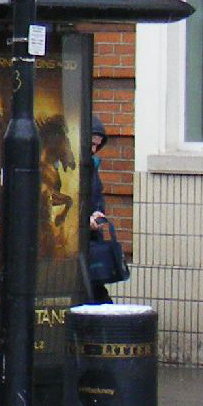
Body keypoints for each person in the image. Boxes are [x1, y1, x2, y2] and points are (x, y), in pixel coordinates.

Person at [85, 117, 115, 304]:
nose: (94, 149)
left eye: (97, 145)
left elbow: (97, 197)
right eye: (91, 144)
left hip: (90, 240)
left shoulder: (91, 167)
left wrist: (98, 213)